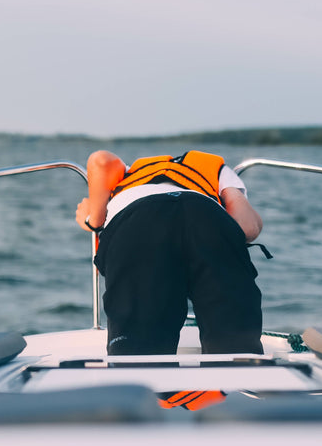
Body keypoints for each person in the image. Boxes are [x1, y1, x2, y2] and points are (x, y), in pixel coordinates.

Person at [75, 150, 264, 355]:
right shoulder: (216, 169)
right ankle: (238, 370)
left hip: (140, 222)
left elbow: (100, 161)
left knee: (136, 351)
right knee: (235, 343)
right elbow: (247, 228)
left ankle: (138, 373)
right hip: (206, 216)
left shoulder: (131, 172)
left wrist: (93, 219)